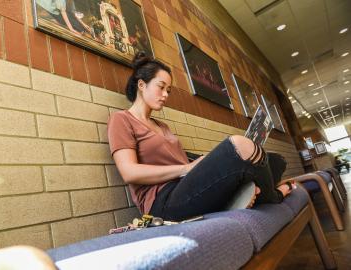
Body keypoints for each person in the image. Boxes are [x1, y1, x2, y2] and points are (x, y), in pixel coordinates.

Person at [107, 52, 295, 221]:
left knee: (275, 160)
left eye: (169, 91)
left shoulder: (161, 126)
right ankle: (273, 197)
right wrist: (186, 169)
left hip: (188, 186)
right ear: (141, 85)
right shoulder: (121, 120)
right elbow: (129, 172)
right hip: (163, 202)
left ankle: (242, 196)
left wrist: (208, 161)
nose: (165, 95)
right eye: (161, 87)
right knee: (240, 144)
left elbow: (183, 160)